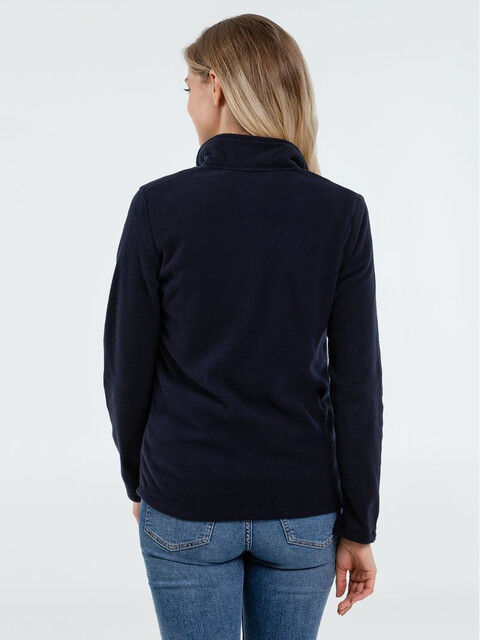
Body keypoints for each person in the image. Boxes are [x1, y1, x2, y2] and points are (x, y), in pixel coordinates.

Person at [103, 13, 383, 640]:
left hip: (186, 497)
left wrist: (139, 481)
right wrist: (359, 524)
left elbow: (126, 369)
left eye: (189, 88)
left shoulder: (158, 207)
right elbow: (359, 386)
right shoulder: (340, 213)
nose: (188, 105)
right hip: (302, 509)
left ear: (219, 86)